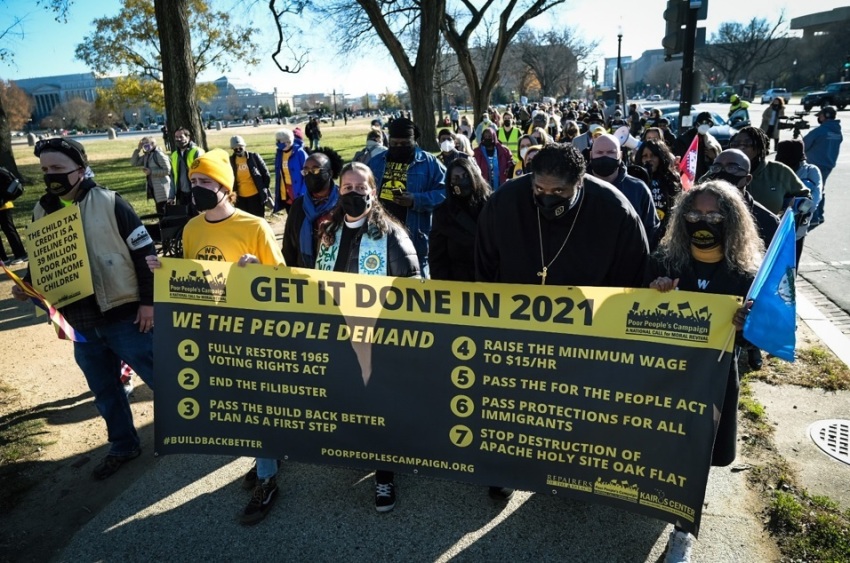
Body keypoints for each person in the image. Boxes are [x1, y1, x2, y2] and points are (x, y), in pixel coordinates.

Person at [146, 149, 285, 525]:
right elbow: (190, 283)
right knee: (239, 404)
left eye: (206, 182)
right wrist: (163, 270)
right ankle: (265, 457)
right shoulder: (192, 229)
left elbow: (284, 280)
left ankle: (268, 476)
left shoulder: (254, 227)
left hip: (254, 333)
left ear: (225, 187)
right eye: (193, 183)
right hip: (213, 333)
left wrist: (258, 271)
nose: (198, 188)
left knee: (258, 405)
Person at [12, 137, 155, 480]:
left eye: (58, 168)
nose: (52, 176)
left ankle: (193, 432)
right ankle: (123, 445)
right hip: (79, 323)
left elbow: (146, 256)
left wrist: (148, 304)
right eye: (45, 170)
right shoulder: (41, 210)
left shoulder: (110, 202)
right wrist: (27, 285)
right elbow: (43, 262)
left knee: (161, 376)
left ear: (80, 168)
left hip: (124, 315)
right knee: (105, 390)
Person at [647, 180, 763, 563]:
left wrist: (749, 326)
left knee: (698, 453)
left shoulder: (746, 273)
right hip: (665, 374)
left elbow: (757, 341)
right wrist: (654, 290)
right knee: (665, 443)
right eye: (695, 214)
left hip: (713, 380)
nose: (703, 221)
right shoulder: (666, 260)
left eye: (714, 215)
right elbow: (636, 314)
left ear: (730, 220)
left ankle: (683, 532)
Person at [314, 162, 420, 513]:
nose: (354, 193)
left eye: (361, 188)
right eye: (347, 187)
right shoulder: (328, 230)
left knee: (380, 407)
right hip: (339, 332)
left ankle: (385, 476)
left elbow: (412, 288)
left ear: (373, 192)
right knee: (353, 401)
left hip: (379, 338)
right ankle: (362, 451)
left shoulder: (391, 234)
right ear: (337, 190)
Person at [475, 142, 649, 287]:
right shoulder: (504, 202)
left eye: (559, 190)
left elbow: (632, 274)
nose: (548, 197)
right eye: (539, 189)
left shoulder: (615, 210)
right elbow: (485, 266)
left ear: (580, 182)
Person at [368, 117, 446, 278]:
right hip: (380, 234)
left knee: (417, 288)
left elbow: (446, 193)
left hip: (416, 236)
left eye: (404, 144)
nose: (398, 148)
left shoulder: (429, 163)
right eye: (394, 144)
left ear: (414, 140)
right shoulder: (376, 162)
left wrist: (416, 200)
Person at [590, 133, 659, 245]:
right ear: (591, 155)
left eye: (611, 152)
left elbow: (651, 229)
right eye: (599, 152)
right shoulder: (578, 187)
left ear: (620, 155)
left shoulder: (638, 189)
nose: (605, 156)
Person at [429, 158, 491, 281]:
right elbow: (437, 258)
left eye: (465, 176)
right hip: (458, 283)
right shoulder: (443, 213)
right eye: (456, 178)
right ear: (450, 183)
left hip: (490, 279)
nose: (462, 181)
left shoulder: (492, 206)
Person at [282, 148, 342, 268]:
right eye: (305, 171)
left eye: (315, 170)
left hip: (337, 274)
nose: (309, 174)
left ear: (329, 173)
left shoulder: (343, 202)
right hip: (305, 274)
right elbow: (289, 247)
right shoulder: (298, 206)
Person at [803, 106, 843, 228]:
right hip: (828, 164)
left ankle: (814, 217)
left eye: (820, 116)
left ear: (826, 116)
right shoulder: (836, 131)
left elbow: (804, 144)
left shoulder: (820, 130)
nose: (819, 118)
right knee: (821, 188)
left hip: (816, 164)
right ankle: (820, 214)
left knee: (812, 189)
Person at [775, 139, 822, 239]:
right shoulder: (775, 170)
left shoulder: (810, 171)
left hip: (798, 231)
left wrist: (792, 209)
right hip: (774, 229)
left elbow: (812, 203)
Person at [639, 139, 682, 239]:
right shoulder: (636, 179)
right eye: (645, 156)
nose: (649, 159)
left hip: (665, 233)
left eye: (653, 155)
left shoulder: (670, 180)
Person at [229, 135, 271, 218]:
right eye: (235, 148)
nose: (238, 150)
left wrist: (264, 188)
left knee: (258, 219)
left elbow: (266, 174)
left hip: (256, 196)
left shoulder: (254, 157)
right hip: (240, 198)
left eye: (240, 147)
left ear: (244, 146)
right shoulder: (231, 161)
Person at [673, 112, 722, 181]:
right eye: (703, 122)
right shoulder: (684, 139)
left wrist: (712, 157)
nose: (706, 125)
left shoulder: (709, 140)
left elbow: (716, 162)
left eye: (709, 123)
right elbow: (681, 160)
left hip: (703, 177)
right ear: (697, 123)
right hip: (688, 177)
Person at [131, 136, 171, 216]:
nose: (144, 146)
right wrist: (138, 149)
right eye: (143, 144)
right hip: (154, 188)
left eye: (146, 143)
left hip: (162, 189)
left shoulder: (159, 154)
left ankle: (167, 227)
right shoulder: (147, 155)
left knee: (165, 211)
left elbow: (168, 171)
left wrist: (151, 172)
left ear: (153, 144)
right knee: (159, 210)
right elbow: (134, 162)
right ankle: (162, 226)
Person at [273, 128, 308, 213]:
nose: (277, 144)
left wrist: (302, 193)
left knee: (301, 216)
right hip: (286, 191)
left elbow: (308, 175)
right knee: (291, 215)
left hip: (299, 190)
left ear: (287, 142)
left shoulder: (300, 153)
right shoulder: (280, 154)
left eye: (279, 142)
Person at [170, 127, 204, 208]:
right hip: (181, 194)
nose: (178, 139)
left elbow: (203, 174)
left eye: (181, 137)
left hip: (195, 192)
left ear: (188, 138)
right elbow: (172, 176)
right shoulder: (174, 155)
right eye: (176, 137)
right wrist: (171, 196)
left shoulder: (197, 152)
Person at [0, 167, 27, 265]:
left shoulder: (1, 172)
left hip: (4, 206)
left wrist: (3, 198)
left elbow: (10, 184)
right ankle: (3, 258)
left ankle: (21, 255)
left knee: (9, 229)